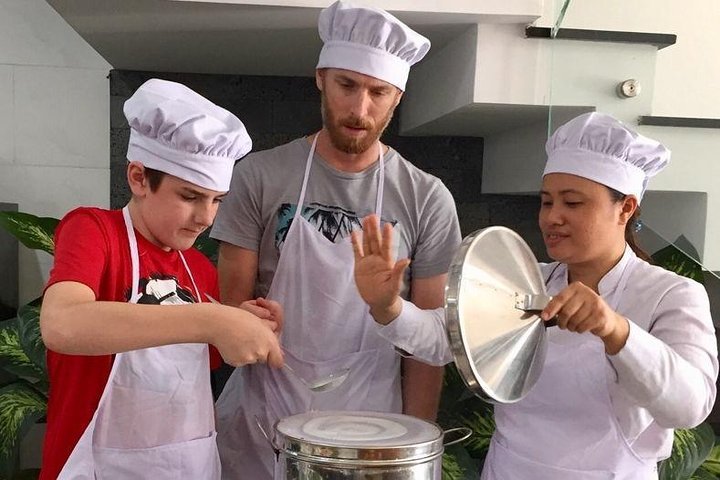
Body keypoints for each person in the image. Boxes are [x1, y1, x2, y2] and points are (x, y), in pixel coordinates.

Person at [351, 112, 719, 480]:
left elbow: (690, 406)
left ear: (625, 208)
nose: (552, 217)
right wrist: (389, 307)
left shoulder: (671, 294)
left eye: (572, 203)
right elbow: (446, 338)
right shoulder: (526, 281)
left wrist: (617, 331)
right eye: (546, 202)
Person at [209, 1, 461, 477]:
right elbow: (232, 312)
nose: (359, 109)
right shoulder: (260, 176)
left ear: (397, 98)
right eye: (347, 85)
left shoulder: (427, 197)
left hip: (375, 424)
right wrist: (247, 319)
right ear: (321, 77)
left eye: (378, 92)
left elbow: (430, 345)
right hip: (266, 415)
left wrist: (414, 448)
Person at [39, 78, 285, 480]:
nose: (206, 217)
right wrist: (213, 320)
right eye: (189, 196)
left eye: (216, 200)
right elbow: (62, 325)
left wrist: (243, 324)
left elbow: (185, 369)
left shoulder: (198, 269)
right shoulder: (95, 232)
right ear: (138, 178)